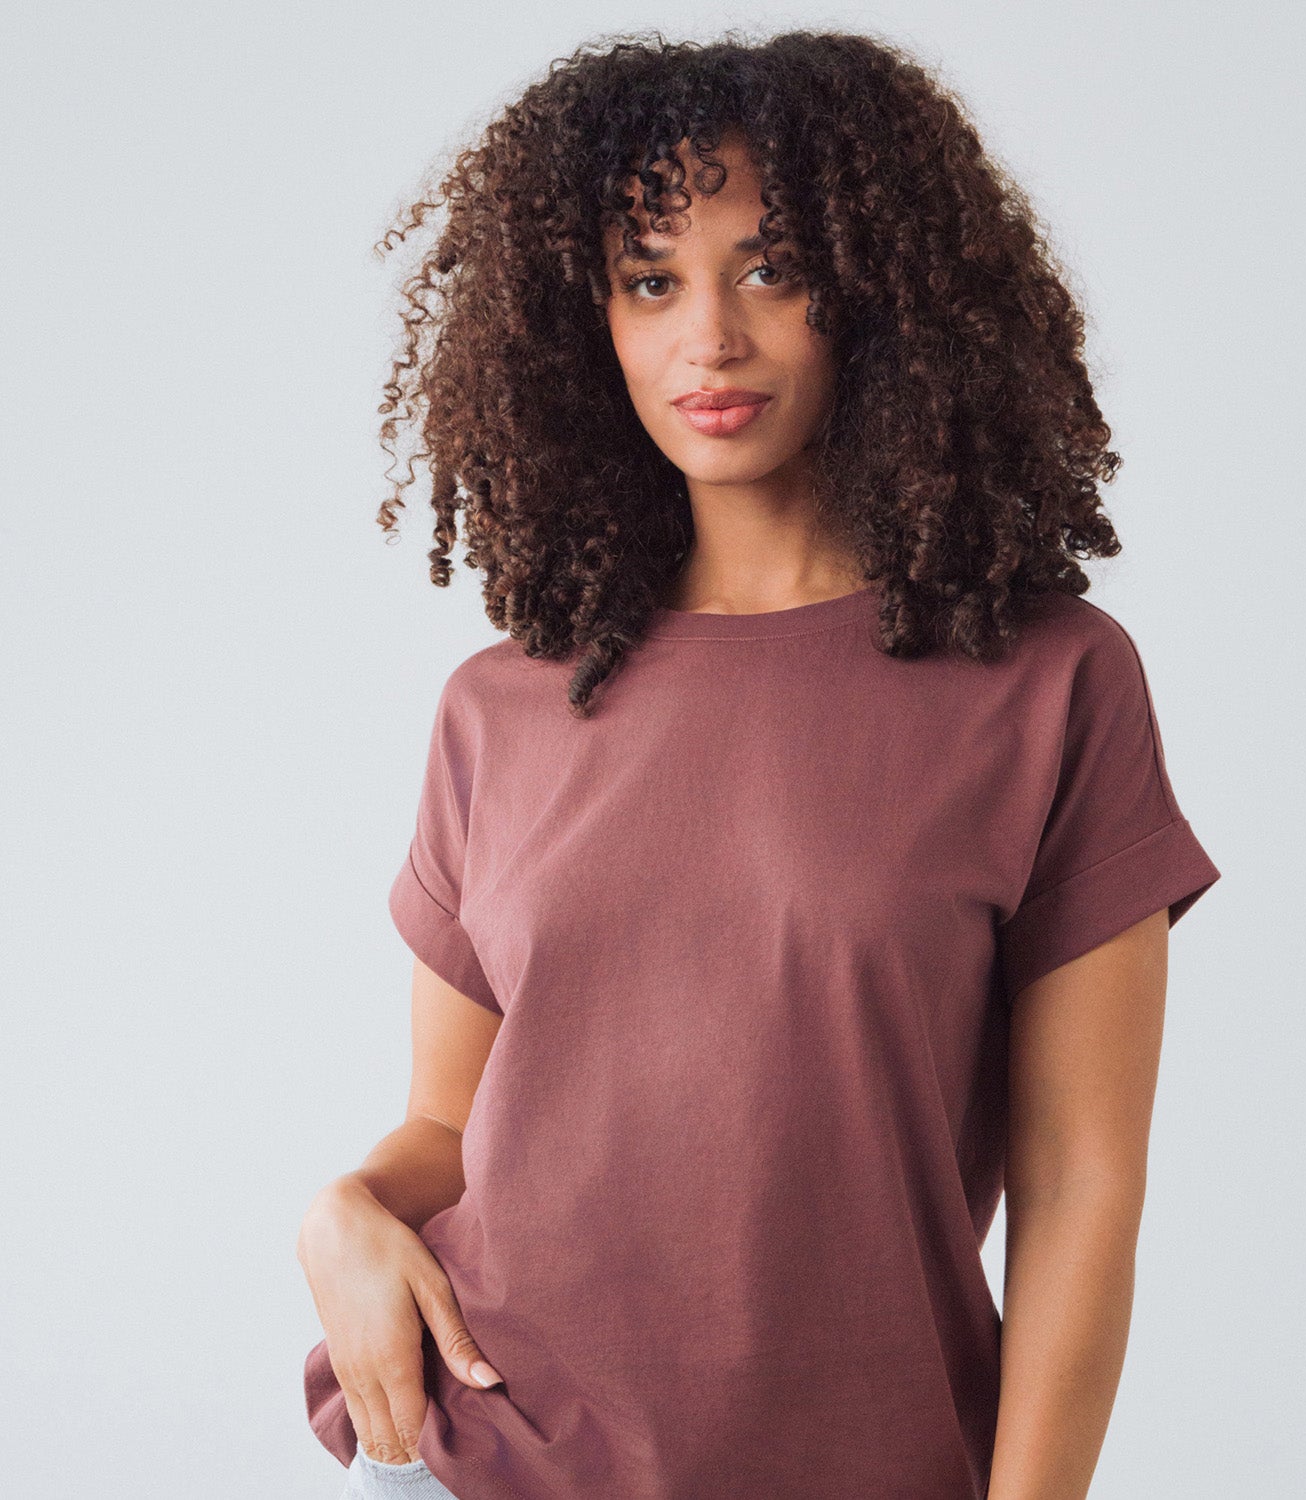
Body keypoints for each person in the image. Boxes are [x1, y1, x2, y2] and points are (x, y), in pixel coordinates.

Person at [296, 28, 1222, 1500]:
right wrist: (341, 1212)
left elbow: (1080, 1187)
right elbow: (455, 1131)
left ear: (882, 294)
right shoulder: (502, 706)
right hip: (483, 1461)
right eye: (650, 280)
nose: (709, 339)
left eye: (772, 270)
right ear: (585, 322)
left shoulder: (1046, 684)